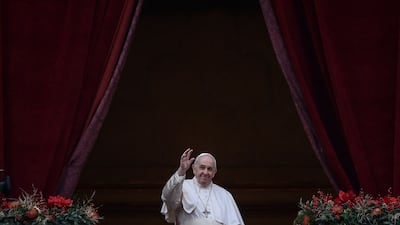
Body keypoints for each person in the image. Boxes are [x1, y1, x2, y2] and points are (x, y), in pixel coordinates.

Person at [161, 148, 245, 225]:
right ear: (194, 169)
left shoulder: (225, 195)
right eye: (202, 167)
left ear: (214, 172)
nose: (205, 172)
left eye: (209, 169)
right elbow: (167, 197)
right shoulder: (182, 186)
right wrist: (181, 171)